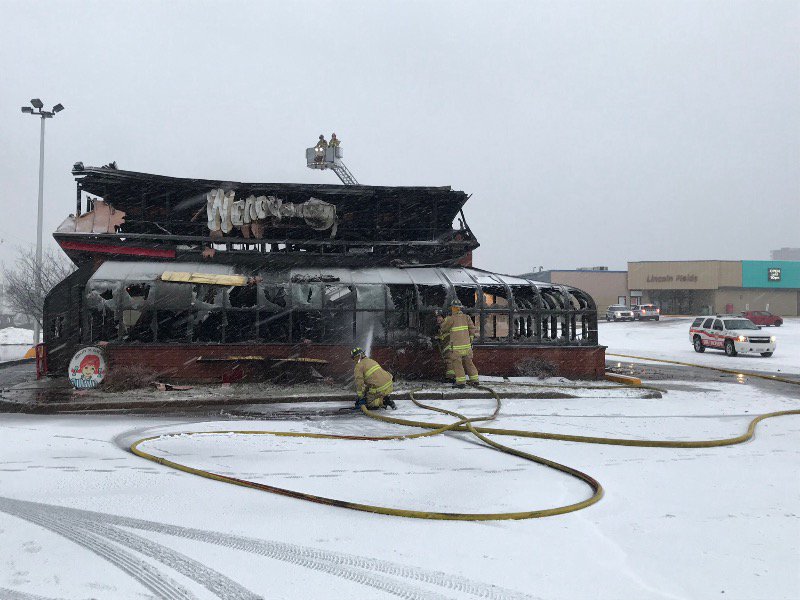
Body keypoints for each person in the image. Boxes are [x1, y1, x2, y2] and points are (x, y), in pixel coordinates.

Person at [438, 299, 479, 388]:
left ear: (453, 308)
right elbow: (472, 329)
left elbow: (443, 328)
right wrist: (470, 339)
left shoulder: (450, 319)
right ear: (460, 308)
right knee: (469, 363)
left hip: (456, 348)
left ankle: (461, 383)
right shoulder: (466, 317)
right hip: (467, 347)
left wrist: (441, 321)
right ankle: (475, 380)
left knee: (457, 364)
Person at [435, 311, 455, 382]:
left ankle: (451, 378)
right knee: (448, 361)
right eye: (437, 317)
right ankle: (450, 377)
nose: (438, 319)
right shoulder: (442, 325)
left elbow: (445, 335)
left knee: (449, 361)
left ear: (443, 317)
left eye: (440, 317)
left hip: (449, 345)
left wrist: (438, 337)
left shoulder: (445, 324)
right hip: (447, 345)